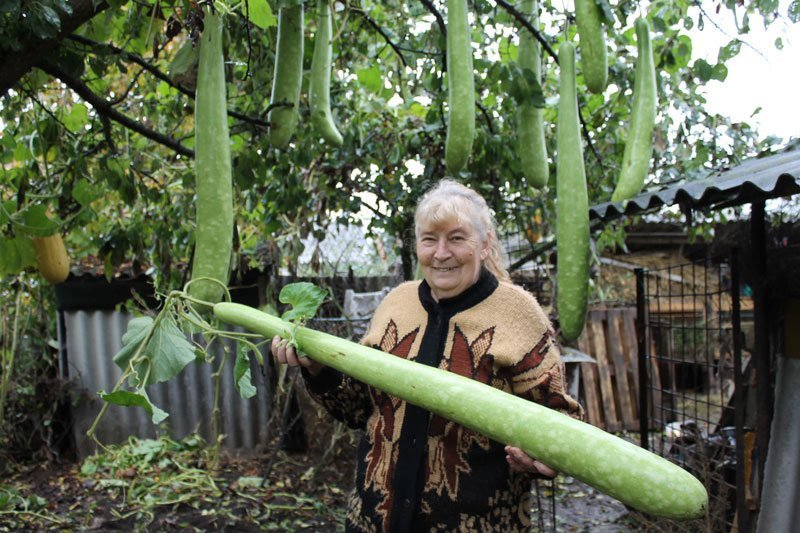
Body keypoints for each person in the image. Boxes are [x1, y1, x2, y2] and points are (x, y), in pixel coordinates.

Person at [272, 179, 583, 532]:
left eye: (456, 238)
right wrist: (317, 369)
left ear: (484, 244)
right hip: (373, 521)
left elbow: (561, 417)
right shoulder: (394, 304)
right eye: (429, 239)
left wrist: (542, 457)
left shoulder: (519, 314)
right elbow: (360, 409)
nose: (440, 253)